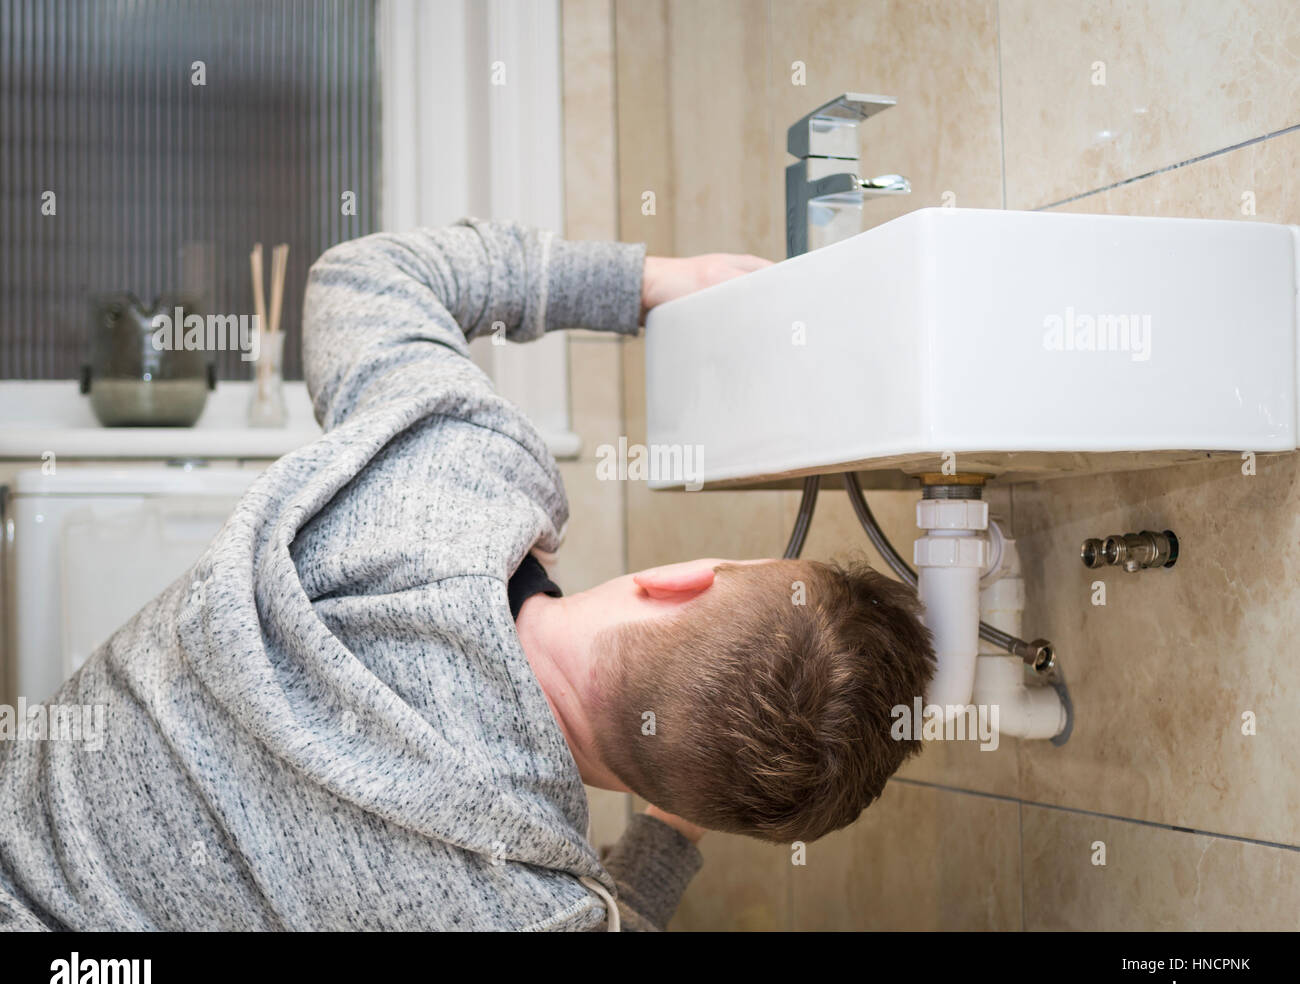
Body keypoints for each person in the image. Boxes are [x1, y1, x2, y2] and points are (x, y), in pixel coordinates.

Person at [0, 220, 934, 932]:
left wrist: (649, 285)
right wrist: (672, 830)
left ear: (682, 580)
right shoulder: (528, 912)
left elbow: (367, 275)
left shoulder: (454, 466)